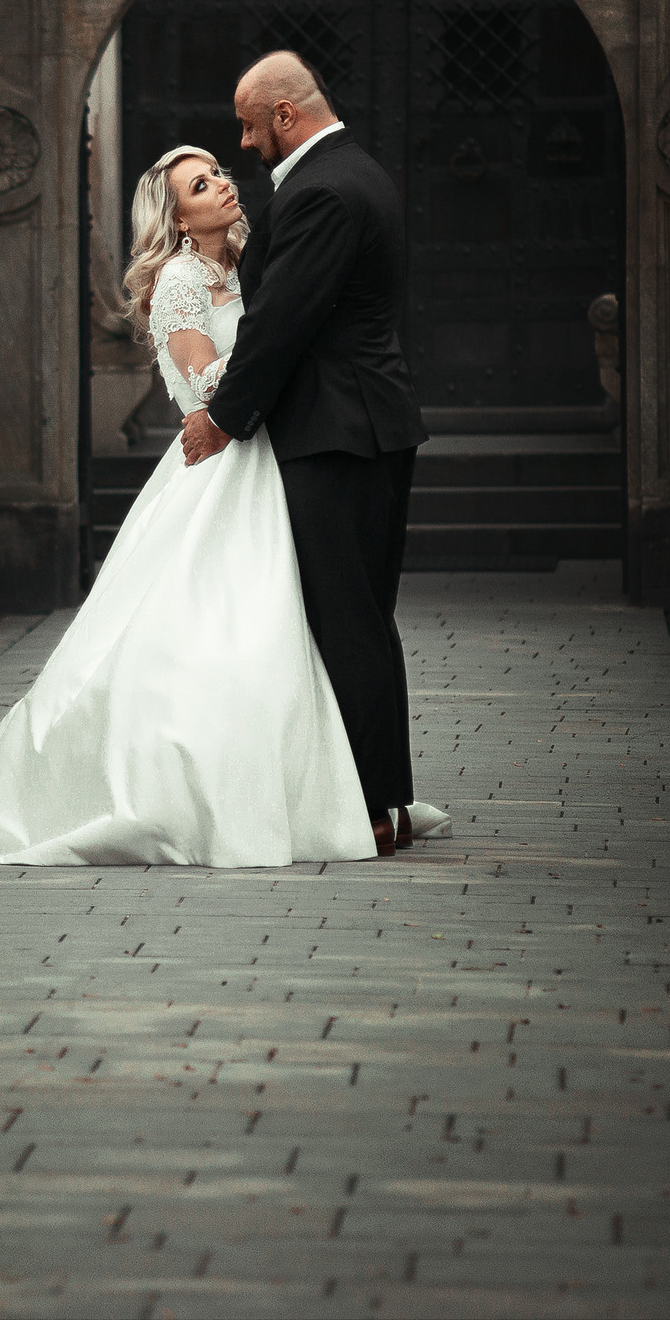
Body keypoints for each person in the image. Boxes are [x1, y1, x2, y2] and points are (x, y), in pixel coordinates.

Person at [0, 138, 438, 866]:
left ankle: (309, 780)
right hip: (220, 465)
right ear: (176, 219)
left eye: (219, 175)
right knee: (209, 632)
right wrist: (276, 350)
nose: (222, 186)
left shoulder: (246, 263)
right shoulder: (177, 280)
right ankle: (191, 787)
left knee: (286, 628)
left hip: (272, 460)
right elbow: (204, 385)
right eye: (201, 186)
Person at [182, 51, 431, 853]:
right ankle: (382, 796)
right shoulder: (362, 171)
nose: (247, 144)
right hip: (371, 424)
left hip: (337, 432)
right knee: (366, 617)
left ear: (285, 115)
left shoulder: (321, 190)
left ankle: (367, 807)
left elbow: (280, 320)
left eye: (251, 126)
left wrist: (223, 416)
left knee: (345, 621)